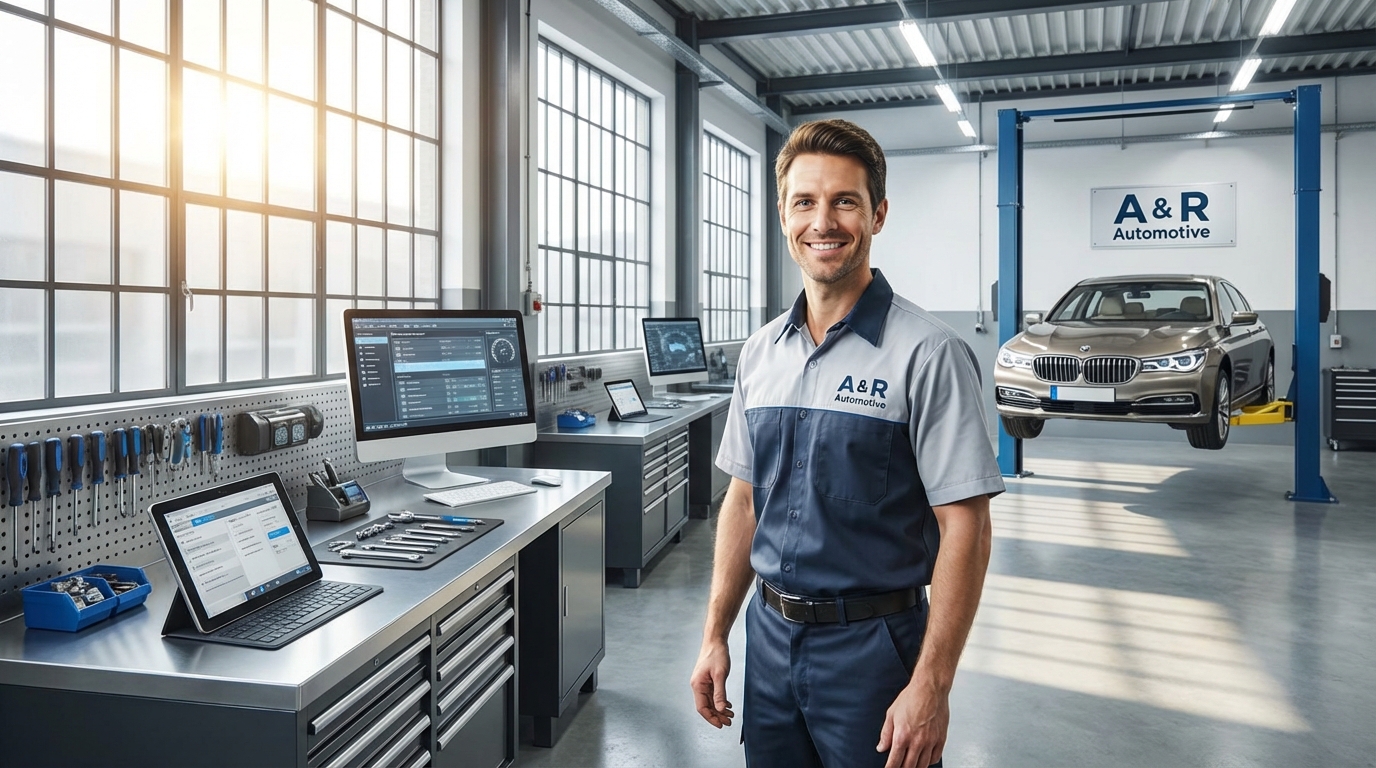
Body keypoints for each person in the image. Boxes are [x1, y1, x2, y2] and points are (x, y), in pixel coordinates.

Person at [689, 118, 1004, 768]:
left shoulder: (929, 353)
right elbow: (744, 502)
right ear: (783, 214)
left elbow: (966, 527)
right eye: (805, 201)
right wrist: (716, 633)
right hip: (769, 642)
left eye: (845, 201)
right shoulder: (760, 354)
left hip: (876, 648)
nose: (823, 221)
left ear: (878, 213)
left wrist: (932, 685)